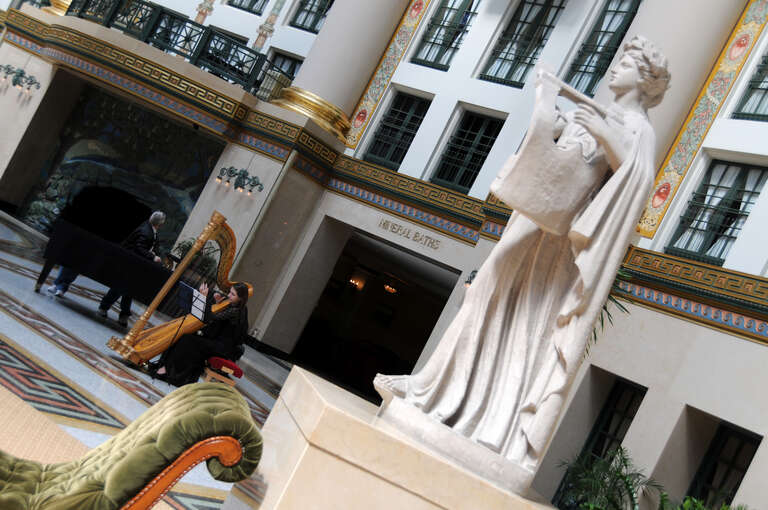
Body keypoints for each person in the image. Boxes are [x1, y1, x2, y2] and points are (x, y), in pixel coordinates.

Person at [374, 36, 670, 475]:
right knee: (485, 294)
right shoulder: (593, 111)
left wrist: (608, 136)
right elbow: (556, 160)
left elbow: (636, 185)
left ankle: (495, 420)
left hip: (565, 246)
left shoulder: (639, 129)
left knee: (526, 322)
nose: (615, 66)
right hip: (534, 224)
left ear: (645, 78)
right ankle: (433, 389)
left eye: (626, 61)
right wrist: (548, 114)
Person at [150, 281, 250, 387]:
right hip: (216, 341)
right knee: (184, 335)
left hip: (222, 348)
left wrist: (204, 298)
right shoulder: (233, 305)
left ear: (241, 298)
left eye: (233, 294)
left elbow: (210, 318)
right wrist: (217, 302)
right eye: (230, 292)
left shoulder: (236, 311)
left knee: (187, 340)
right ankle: (165, 366)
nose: (229, 295)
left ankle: (172, 373)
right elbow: (217, 321)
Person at [98, 211, 166, 326]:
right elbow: (139, 247)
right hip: (129, 265)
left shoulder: (150, 230)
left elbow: (148, 246)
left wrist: (154, 253)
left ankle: (121, 313)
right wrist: (153, 257)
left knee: (128, 290)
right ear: (161, 224)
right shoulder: (146, 232)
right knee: (119, 288)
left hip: (133, 266)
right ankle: (106, 309)